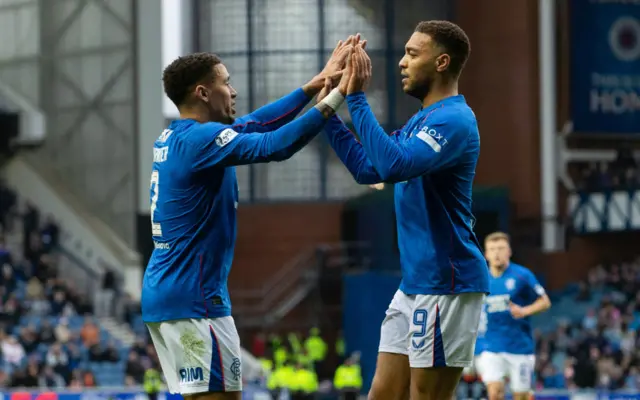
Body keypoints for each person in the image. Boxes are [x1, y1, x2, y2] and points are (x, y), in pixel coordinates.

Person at [140, 40, 356, 400]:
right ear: (203, 92)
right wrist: (333, 101)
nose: (233, 90)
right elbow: (274, 145)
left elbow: (256, 122)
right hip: (195, 299)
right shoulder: (202, 141)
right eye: (226, 82)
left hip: (173, 294)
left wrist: (314, 85)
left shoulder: (178, 137)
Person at [320, 22, 490, 399]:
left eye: (413, 54)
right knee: (380, 393)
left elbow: (394, 166)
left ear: (442, 62)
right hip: (415, 284)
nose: (401, 62)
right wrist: (329, 105)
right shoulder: (421, 121)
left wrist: (358, 98)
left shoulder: (455, 121)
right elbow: (370, 167)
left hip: (447, 284)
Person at [476, 232, 551, 400]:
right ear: (486, 254)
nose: (497, 253)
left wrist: (524, 311)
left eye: (501, 249)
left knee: (522, 396)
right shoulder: (480, 279)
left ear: (509, 251)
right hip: (491, 346)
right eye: (492, 249)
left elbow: (545, 301)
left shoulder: (522, 275)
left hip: (519, 347)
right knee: (494, 393)